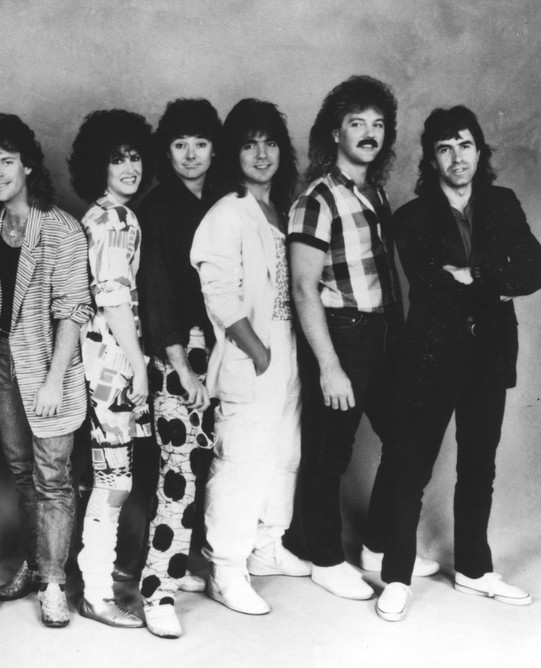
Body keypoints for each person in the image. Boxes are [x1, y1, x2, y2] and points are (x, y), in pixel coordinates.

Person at [374, 106, 541, 621]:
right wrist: (494, 280)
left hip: (490, 356)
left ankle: (474, 569)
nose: (457, 158)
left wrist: (473, 275)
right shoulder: (411, 217)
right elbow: (432, 285)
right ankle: (396, 578)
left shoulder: (502, 202)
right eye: (445, 148)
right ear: (431, 159)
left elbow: (535, 268)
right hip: (432, 358)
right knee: (410, 469)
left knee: (479, 466)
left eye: (465, 145)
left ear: (479, 151)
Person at [283, 75, 439, 601]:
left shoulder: (374, 193)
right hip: (342, 336)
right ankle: (325, 559)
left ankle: (376, 544)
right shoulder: (317, 198)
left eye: (378, 124)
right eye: (357, 123)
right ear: (336, 133)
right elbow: (303, 287)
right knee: (329, 453)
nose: (369, 133)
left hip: (383, 334)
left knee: (405, 439)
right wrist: (329, 366)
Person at [0, 113, 92, 627]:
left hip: (48, 367)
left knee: (53, 478)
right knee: (22, 473)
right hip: (5, 365)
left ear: (28, 165)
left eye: (7, 160)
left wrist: (53, 379)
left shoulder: (61, 228)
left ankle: (55, 583)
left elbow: (74, 310)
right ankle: (33, 564)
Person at [192, 98, 311, 620]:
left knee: (284, 451)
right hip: (250, 351)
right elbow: (218, 292)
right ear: (233, 154)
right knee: (241, 459)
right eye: (248, 144)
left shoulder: (280, 211)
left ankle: (266, 546)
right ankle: (226, 569)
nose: (262, 154)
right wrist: (258, 350)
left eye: (270, 143)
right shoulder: (228, 212)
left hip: (288, 347)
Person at [134, 98, 222, 639]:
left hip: (222, 346)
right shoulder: (157, 207)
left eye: (201, 144)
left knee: (207, 464)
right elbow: (157, 295)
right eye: (180, 144)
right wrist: (182, 369)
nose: (191, 155)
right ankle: (157, 591)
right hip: (177, 351)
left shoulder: (222, 200)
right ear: (166, 151)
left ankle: (183, 564)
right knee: (178, 473)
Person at [68, 109, 154, 629]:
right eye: (117, 158)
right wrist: (139, 367)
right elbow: (114, 299)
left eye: (135, 157)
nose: (129, 168)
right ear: (97, 165)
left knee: (107, 476)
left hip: (101, 363)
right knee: (114, 480)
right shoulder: (115, 220)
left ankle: (97, 578)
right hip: (112, 367)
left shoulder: (100, 216)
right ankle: (97, 594)